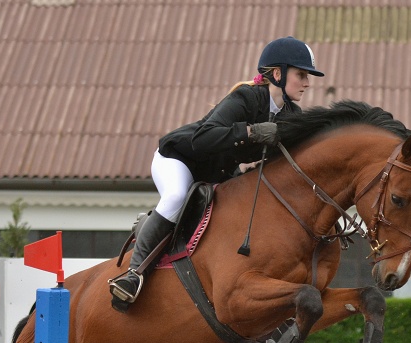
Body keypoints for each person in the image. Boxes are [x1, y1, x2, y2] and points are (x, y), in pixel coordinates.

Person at [109, 36, 325, 312]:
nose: (307, 83)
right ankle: (133, 274)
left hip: (220, 172)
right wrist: (252, 131)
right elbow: (203, 137)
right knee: (176, 196)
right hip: (179, 158)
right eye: (302, 74)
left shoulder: (290, 114)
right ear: (278, 74)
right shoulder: (246, 97)